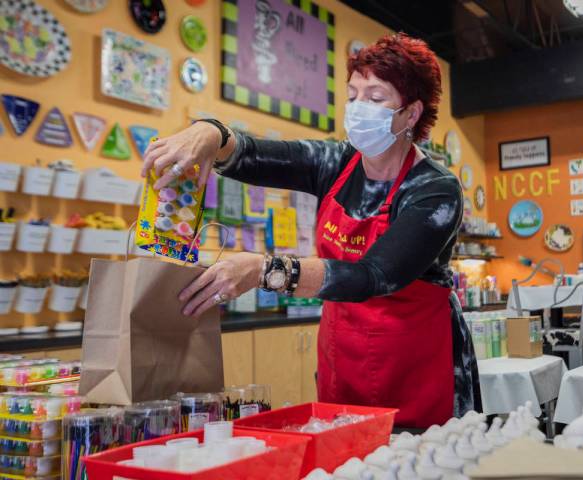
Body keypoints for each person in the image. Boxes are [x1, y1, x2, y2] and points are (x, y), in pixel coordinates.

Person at [142, 33, 481, 428]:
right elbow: (253, 155)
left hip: (417, 366)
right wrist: (211, 133)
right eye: (353, 95)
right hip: (346, 356)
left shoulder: (434, 190)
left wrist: (262, 270)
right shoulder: (336, 162)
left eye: (375, 98)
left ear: (410, 114)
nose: (357, 108)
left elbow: (374, 275)